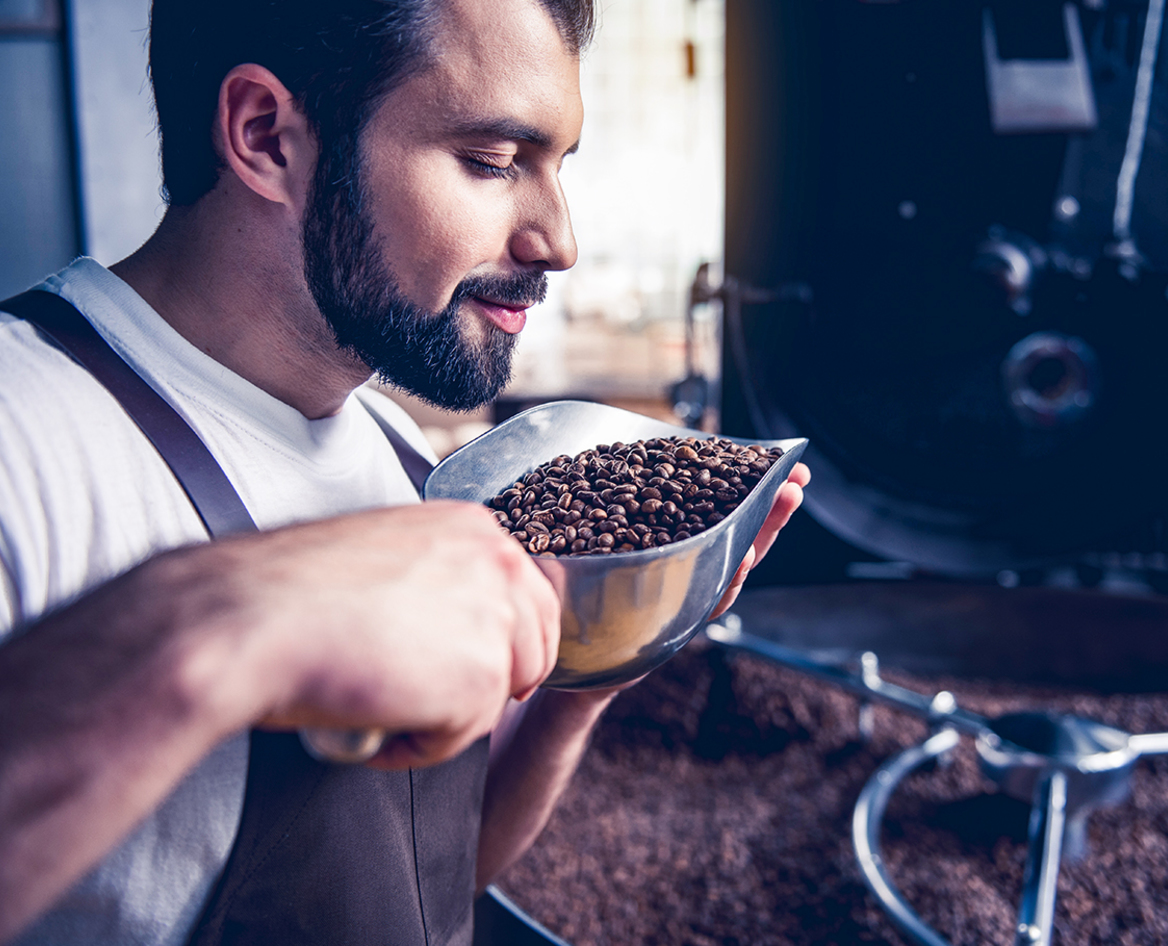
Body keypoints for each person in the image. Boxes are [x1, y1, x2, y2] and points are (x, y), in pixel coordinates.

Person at [0, 0, 810, 942]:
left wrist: (591, 671)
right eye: (494, 163)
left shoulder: (397, 450)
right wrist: (220, 616)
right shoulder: (26, 429)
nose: (558, 241)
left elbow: (427, 886)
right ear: (266, 136)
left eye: (556, 170)